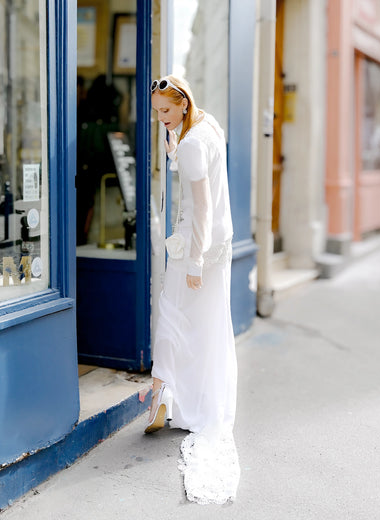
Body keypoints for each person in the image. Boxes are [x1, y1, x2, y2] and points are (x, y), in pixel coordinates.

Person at [147, 76, 240, 504]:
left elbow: (200, 206)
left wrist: (196, 261)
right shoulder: (208, 126)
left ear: (183, 105)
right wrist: (174, 149)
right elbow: (205, 177)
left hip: (194, 246)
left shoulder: (189, 144)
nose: (159, 118)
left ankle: (163, 394)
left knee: (170, 313)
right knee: (204, 326)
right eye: (156, 112)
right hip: (219, 241)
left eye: (165, 111)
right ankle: (184, 401)